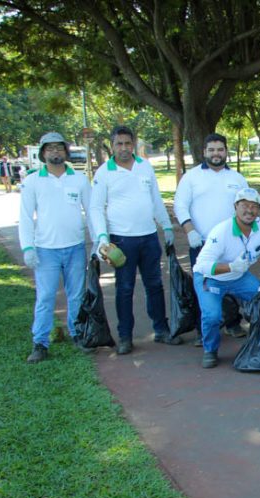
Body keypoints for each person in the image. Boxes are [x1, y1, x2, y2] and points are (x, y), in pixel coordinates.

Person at [89, 125, 181, 355]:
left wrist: (166, 225)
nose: (124, 148)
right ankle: (125, 336)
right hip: (121, 240)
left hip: (149, 236)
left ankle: (161, 329)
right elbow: (96, 208)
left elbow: (156, 199)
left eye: (127, 143)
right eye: (119, 144)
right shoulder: (104, 172)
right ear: (112, 146)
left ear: (133, 144)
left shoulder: (144, 167)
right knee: (125, 288)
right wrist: (102, 237)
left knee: (155, 285)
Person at [18, 132, 96, 363]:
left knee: (77, 295)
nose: (55, 152)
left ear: (66, 151)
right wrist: (27, 248)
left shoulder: (79, 179)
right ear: (43, 153)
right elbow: (24, 217)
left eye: (59, 148)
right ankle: (40, 342)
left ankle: (77, 333)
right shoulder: (33, 181)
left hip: (75, 247)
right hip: (45, 250)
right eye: (50, 148)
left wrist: (97, 242)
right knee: (45, 297)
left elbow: (91, 212)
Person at [174, 133, 249, 343]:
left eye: (220, 149)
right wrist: (190, 230)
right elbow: (180, 205)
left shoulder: (237, 178)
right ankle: (203, 330)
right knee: (204, 287)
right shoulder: (191, 177)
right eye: (212, 150)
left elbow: (247, 208)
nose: (216, 154)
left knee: (233, 281)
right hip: (201, 243)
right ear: (204, 152)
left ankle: (233, 323)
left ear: (226, 151)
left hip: (232, 243)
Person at [192, 188, 260, 368]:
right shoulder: (221, 232)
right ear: (235, 207)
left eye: (254, 206)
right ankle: (210, 350)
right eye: (244, 205)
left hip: (239, 277)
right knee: (212, 316)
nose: (249, 210)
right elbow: (200, 265)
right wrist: (230, 266)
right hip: (211, 278)